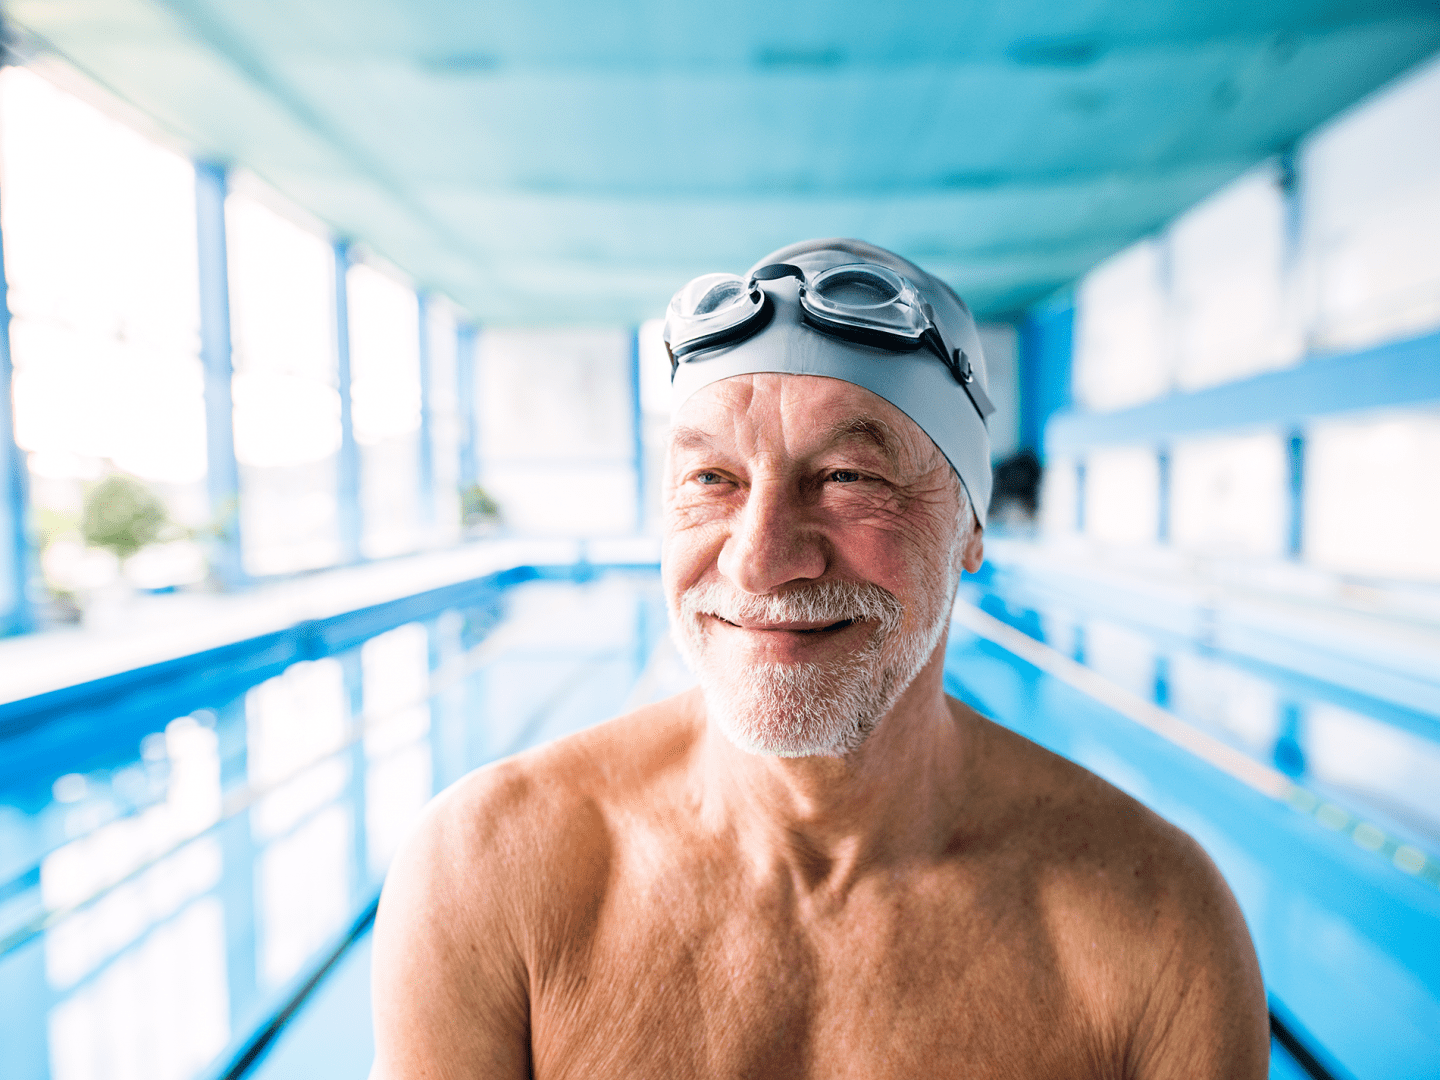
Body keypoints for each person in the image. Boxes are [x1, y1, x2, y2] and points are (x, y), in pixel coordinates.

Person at [370, 239, 1269, 1079]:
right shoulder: (486, 874)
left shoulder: (1158, 928)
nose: (759, 558)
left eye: (848, 478)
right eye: (711, 480)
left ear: (970, 527)